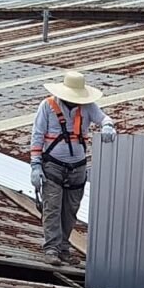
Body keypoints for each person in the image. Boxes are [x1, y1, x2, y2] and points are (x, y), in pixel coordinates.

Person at [30, 71, 116, 266]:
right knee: (52, 207)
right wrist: (35, 165)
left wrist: (108, 126)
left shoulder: (87, 106)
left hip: (77, 168)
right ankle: (51, 248)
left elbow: (104, 118)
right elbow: (37, 135)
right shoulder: (47, 106)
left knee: (70, 210)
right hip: (53, 165)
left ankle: (63, 247)